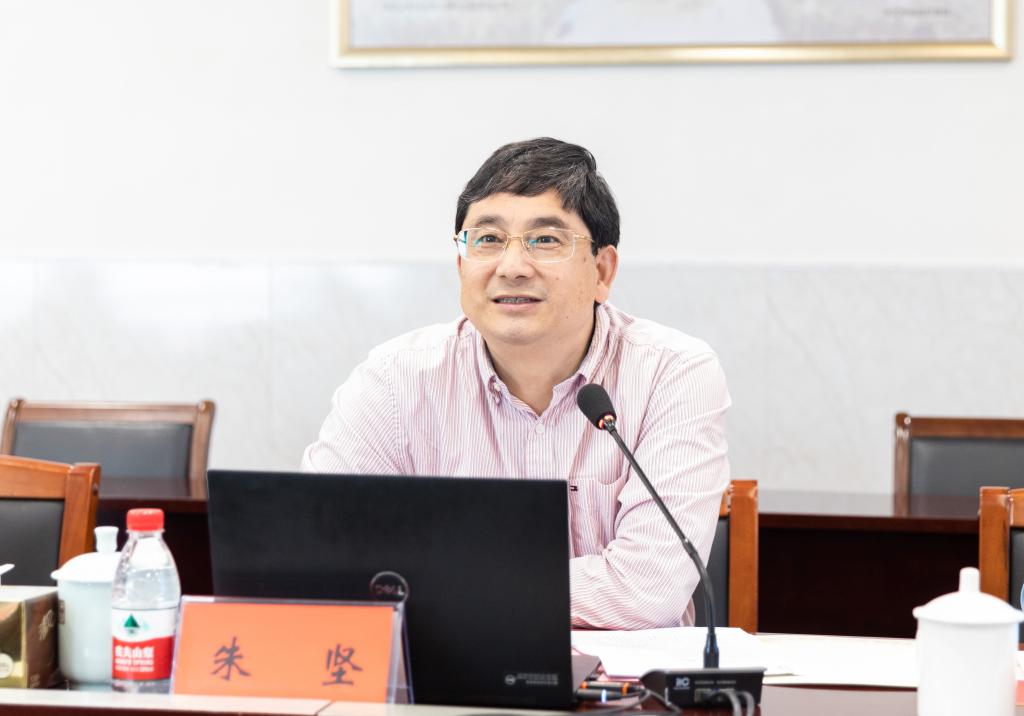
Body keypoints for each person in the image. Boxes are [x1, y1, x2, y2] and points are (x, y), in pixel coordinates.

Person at [302, 137, 730, 629]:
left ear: (602, 270)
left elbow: (647, 590)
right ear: (461, 265)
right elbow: (320, 547)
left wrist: (438, 581)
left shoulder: (672, 374)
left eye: (545, 240)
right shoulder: (395, 380)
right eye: (487, 240)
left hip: (624, 676)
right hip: (446, 667)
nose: (511, 267)